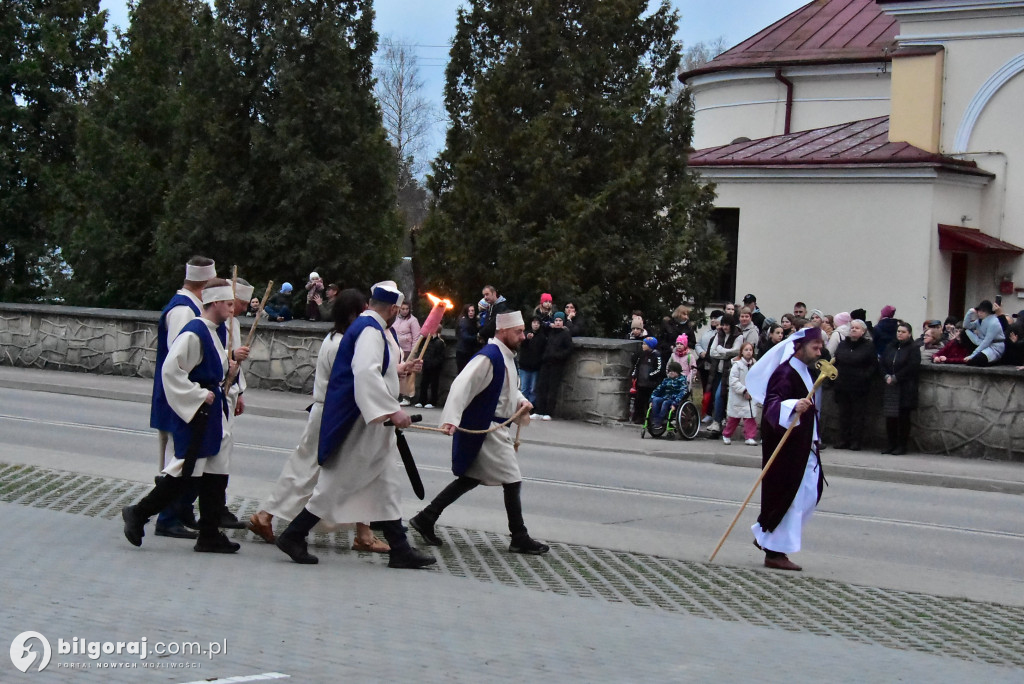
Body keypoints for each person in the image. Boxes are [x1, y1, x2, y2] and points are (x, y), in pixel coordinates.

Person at [274, 281, 434, 568]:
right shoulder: (371, 331)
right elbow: (365, 373)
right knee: (336, 483)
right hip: (358, 420)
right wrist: (392, 410)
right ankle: (293, 535)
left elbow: (374, 371)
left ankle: (400, 549)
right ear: (394, 309)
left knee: (386, 484)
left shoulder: (366, 328)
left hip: (365, 418)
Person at [247, 289, 388, 553]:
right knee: (309, 471)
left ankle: (364, 531)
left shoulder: (336, 338)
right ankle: (267, 515)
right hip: (333, 414)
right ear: (354, 314)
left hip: (329, 412)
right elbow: (353, 381)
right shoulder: (341, 344)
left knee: (333, 470)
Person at [410, 311, 548, 555]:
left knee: (471, 478)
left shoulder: (505, 357)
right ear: (503, 330)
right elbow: (461, 386)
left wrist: (522, 401)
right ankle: (519, 536)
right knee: (512, 479)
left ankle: (426, 518)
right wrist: (451, 419)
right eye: (517, 331)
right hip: (486, 429)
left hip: (494, 427)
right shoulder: (489, 356)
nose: (522, 336)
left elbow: (509, 390)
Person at [122, 279, 243, 553]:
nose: (231, 308)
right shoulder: (193, 333)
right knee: (186, 472)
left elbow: (213, 364)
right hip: (200, 412)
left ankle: (210, 534)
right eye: (227, 303)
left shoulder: (212, 331)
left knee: (216, 472)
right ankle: (138, 513)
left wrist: (229, 369)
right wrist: (199, 395)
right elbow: (171, 371)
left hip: (214, 413)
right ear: (213, 303)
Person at [745, 327, 826, 572]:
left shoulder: (805, 371)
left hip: (805, 444)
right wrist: (792, 405)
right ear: (800, 347)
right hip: (788, 448)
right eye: (816, 347)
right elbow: (772, 405)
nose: (820, 351)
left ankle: (768, 537)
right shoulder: (784, 373)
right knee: (789, 497)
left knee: (810, 494)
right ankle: (775, 551)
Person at [148, 256, 215, 540]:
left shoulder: (190, 307)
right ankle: (167, 516)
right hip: (182, 398)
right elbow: (179, 361)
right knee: (182, 461)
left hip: (188, 398)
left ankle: (181, 511)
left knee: (190, 460)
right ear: (204, 284)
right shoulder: (183, 311)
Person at [832, 320, 875, 450]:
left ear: (863, 331)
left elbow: (873, 365)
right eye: (852, 328)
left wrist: (865, 376)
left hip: (859, 386)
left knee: (858, 415)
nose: (854, 330)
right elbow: (837, 360)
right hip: (843, 384)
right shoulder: (843, 344)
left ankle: (856, 441)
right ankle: (843, 439)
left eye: (857, 328)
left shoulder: (868, 346)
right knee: (843, 414)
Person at [880, 321, 920, 455]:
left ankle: (902, 445)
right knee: (890, 417)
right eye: (898, 331)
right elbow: (882, 362)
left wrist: (896, 377)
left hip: (905, 387)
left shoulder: (913, 348)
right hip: (890, 386)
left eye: (903, 332)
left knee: (903, 418)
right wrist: (886, 376)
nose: (900, 334)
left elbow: (912, 366)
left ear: (909, 334)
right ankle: (891, 444)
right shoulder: (891, 346)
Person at [533, 312, 573, 420]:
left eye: (560, 320)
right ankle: (539, 411)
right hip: (546, 363)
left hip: (557, 364)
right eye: (556, 320)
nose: (558, 323)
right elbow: (542, 325)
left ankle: (548, 412)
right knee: (541, 387)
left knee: (552, 388)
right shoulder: (550, 332)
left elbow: (569, 349)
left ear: (563, 322)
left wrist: (558, 356)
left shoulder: (565, 334)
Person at [709, 314, 742, 432]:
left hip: (729, 371)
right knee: (716, 396)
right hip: (718, 370)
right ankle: (718, 420)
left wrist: (722, 350)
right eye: (723, 324)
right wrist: (726, 354)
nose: (724, 327)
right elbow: (712, 352)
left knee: (720, 395)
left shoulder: (738, 336)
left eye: (727, 325)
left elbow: (737, 351)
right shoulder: (719, 334)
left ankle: (718, 421)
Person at [722, 342, 759, 446]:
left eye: (750, 350)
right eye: (746, 350)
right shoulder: (737, 365)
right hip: (738, 396)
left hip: (750, 396)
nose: (748, 352)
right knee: (734, 418)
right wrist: (744, 390)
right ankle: (727, 434)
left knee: (750, 417)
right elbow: (733, 381)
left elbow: (757, 379)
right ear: (742, 352)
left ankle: (750, 437)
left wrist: (752, 391)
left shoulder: (755, 365)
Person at [630, 336, 662, 424]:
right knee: (639, 401)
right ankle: (639, 417)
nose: (643, 346)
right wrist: (635, 374)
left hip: (651, 384)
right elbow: (637, 366)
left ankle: (650, 418)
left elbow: (659, 369)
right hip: (641, 383)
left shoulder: (657, 355)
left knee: (649, 402)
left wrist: (650, 375)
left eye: (644, 344)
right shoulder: (642, 354)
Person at [963, 300, 1005, 366]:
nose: (980, 313)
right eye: (979, 311)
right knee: (964, 332)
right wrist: (970, 312)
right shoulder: (979, 321)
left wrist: (973, 355)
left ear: (988, 312)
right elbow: (966, 326)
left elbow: (987, 341)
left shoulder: (994, 322)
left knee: (977, 360)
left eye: (983, 311)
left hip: (994, 347)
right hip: (983, 344)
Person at [649, 361, 688, 428]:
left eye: (673, 371)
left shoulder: (682, 381)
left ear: (678, 372)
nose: (671, 373)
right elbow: (658, 389)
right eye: (670, 371)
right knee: (655, 400)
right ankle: (655, 420)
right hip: (665, 397)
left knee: (665, 403)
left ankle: (660, 421)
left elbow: (682, 392)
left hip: (674, 399)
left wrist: (675, 403)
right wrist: (651, 399)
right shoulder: (666, 380)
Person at [517, 316, 545, 404]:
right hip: (525, 365)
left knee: (533, 388)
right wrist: (527, 339)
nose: (536, 325)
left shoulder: (542, 337)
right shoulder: (525, 334)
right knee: (524, 387)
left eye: (537, 323)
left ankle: (531, 405)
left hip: (536, 366)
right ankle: (522, 405)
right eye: (534, 323)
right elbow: (520, 346)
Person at [414, 333, 446, 408]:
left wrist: (434, 363)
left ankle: (433, 402)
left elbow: (441, 356)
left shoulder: (440, 342)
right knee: (423, 384)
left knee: (434, 384)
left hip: (435, 367)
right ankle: (421, 401)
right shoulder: (426, 341)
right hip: (426, 365)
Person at [455, 303, 482, 371]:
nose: (471, 312)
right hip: (463, 351)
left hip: (467, 350)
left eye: (472, 311)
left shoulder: (471, 321)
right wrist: (477, 337)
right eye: (469, 311)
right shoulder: (464, 321)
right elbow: (465, 337)